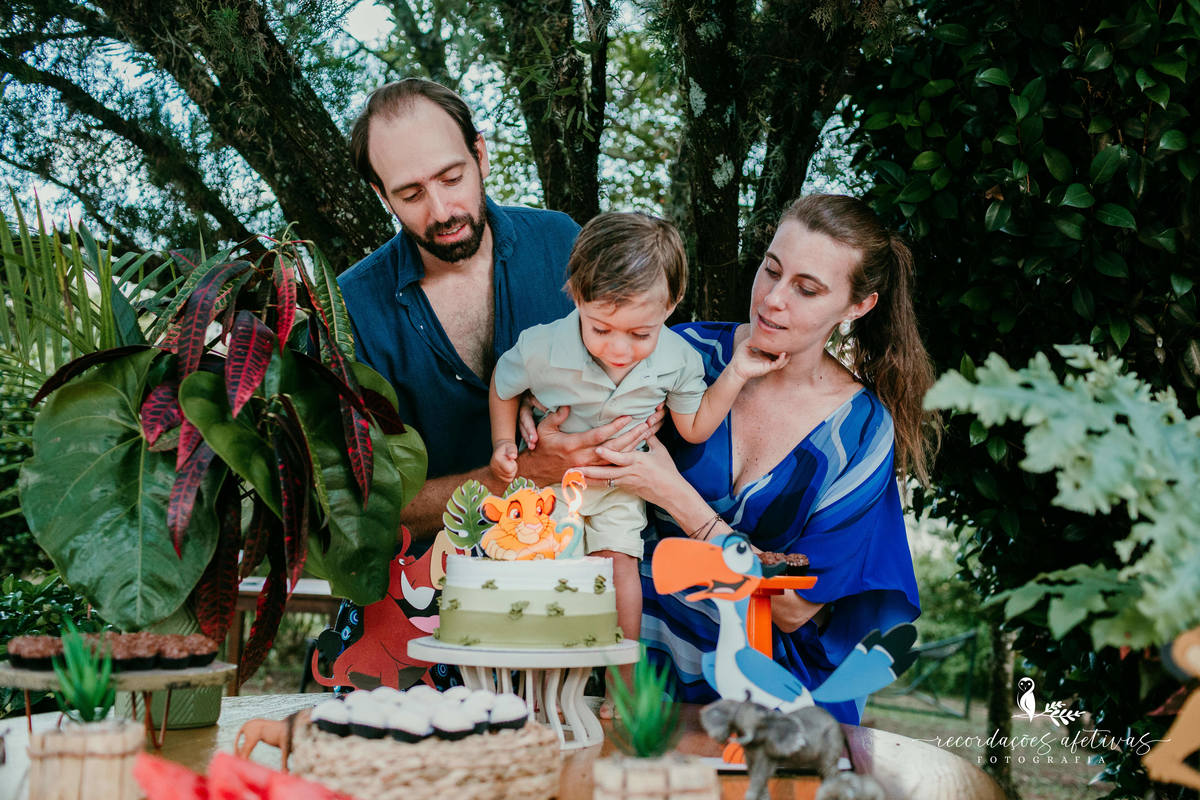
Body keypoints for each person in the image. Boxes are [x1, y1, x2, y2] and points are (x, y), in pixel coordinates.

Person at [578, 194, 934, 725]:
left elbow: (792, 610)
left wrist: (674, 494)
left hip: (766, 693)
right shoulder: (681, 354)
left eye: (806, 289)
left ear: (858, 306)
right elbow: (575, 444)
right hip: (634, 670)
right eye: (770, 271)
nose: (772, 300)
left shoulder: (860, 433)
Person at [337, 78, 660, 542]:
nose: (442, 210)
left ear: (480, 155)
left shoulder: (561, 242)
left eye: (452, 178)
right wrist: (518, 475)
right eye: (411, 195)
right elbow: (366, 509)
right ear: (381, 194)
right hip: (437, 593)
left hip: (587, 556)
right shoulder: (350, 310)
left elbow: (644, 360)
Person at [489, 211, 788, 651]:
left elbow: (694, 427)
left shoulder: (678, 359)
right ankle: (540, 669)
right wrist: (502, 442)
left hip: (618, 486)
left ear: (671, 305)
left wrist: (737, 372)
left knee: (619, 573)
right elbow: (503, 384)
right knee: (544, 567)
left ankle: (621, 682)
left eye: (640, 333)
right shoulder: (541, 347)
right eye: (601, 329)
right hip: (551, 486)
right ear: (576, 296)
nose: (619, 348)